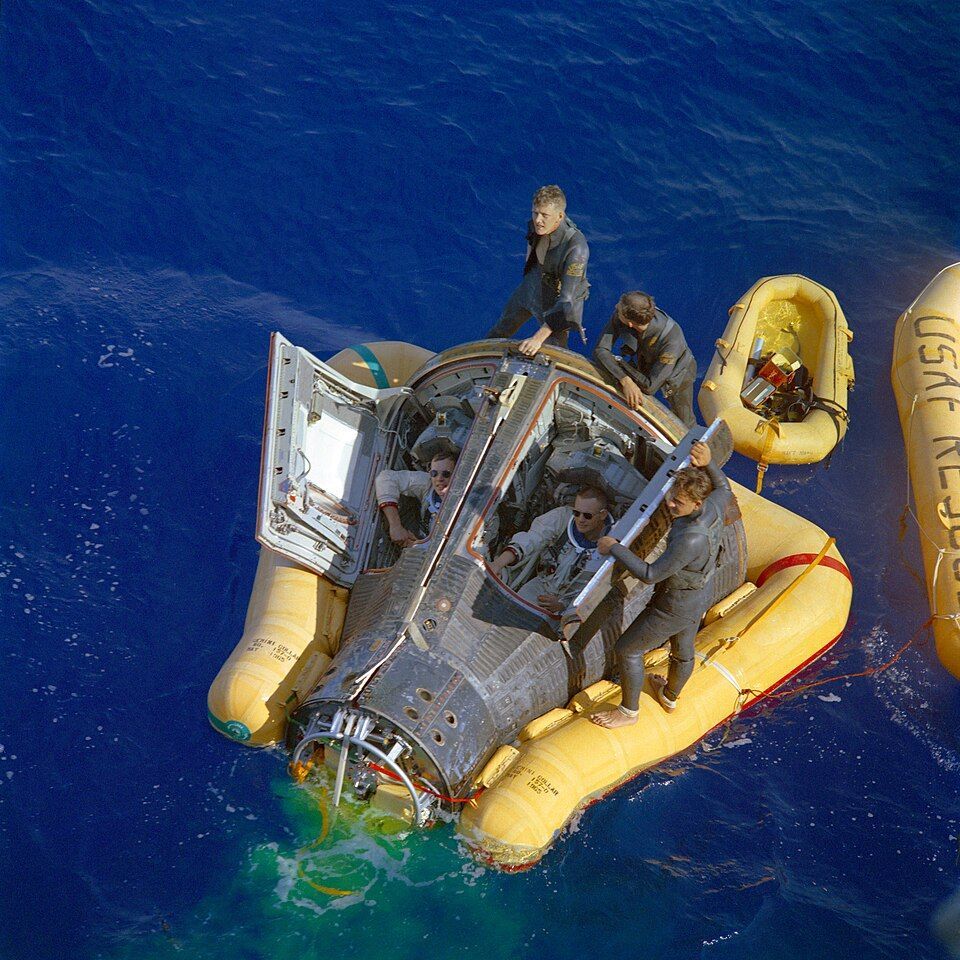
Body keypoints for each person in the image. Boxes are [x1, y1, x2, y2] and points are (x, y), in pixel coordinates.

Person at [590, 441, 732, 728]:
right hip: (697, 596)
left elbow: (651, 573)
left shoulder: (691, 538)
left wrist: (614, 547)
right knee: (683, 650)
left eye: (678, 502)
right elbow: (724, 488)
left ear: (696, 504)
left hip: (674, 605)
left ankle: (628, 712)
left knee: (627, 650)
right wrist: (708, 463)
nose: (670, 504)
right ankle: (670, 696)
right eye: (671, 497)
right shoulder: (714, 505)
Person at [486, 184, 590, 357]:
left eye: (544, 215)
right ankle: (484, 356)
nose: (538, 220)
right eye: (535, 213)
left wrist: (537, 338)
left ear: (560, 216)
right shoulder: (537, 225)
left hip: (557, 302)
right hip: (532, 285)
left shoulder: (577, 249)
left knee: (555, 350)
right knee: (501, 328)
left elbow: (567, 301)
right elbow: (531, 246)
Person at [488, 486, 611, 614]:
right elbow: (531, 539)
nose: (580, 519)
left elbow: (601, 587)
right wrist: (498, 564)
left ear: (602, 515)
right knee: (509, 612)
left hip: (572, 604)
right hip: (542, 585)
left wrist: (564, 604)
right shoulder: (562, 517)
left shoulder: (614, 542)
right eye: (576, 513)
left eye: (587, 516)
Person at [593, 290, 698, 428]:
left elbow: (650, 387)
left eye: (619, 309)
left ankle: (690, 438)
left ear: (630, 323)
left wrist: (619, 363)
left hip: (677, 372)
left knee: (683, 419)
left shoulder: (671, 341)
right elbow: (600, 350)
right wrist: (625, 380)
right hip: (645, 358)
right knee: (631, 393)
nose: (616, 307)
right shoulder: (622, 315)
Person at [375, 449, 458, 547]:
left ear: (457, 475)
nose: (439, 479)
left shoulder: (469, 503)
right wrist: (395, 526)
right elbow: (386, 478)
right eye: (434, 473)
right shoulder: (427, 483)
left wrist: (418, 545)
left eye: (446, 474)